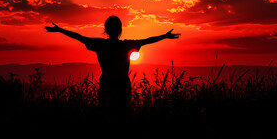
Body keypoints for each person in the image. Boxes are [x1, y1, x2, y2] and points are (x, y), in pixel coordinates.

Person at [44, 15, 180, 122]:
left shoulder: (99, 44)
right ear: (120, 30)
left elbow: (79, 37)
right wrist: (165, 36)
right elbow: (147, 40)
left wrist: (60, 30)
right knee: (123, 114)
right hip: (122, 83)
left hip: (107, 82)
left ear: (106, 30)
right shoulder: (127, 45)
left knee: (105, 113)